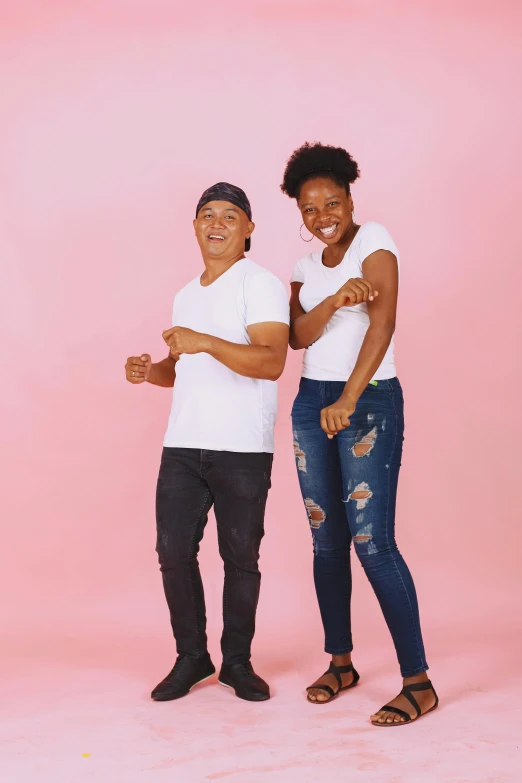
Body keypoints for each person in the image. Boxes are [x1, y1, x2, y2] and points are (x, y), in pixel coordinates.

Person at [281, 143, 438, 726]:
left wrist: (348, 397)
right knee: (326, 541)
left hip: (367, 401)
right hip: (310, 402)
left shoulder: (375, 241)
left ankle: (417, 681)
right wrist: (334, 298)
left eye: (332, 201)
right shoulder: (302, 269)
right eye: (309, 207)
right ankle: (341, 661)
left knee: (374, 542)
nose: (322, 214)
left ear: (350, 197)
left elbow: (385, 319)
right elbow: (297, 335)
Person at [125, 182, 289, 702]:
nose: (216, 223)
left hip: (242, 447)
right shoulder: (186, 293)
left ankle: (238, 663)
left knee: (240, 557)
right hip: (183, 446)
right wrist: (150, 371)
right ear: (195, 226)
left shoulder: (259, 284)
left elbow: (271, 361)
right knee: (173, 552)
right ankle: (192, 657)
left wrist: (204, 342)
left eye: (230, 215)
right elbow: (182, 367)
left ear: (248, 229)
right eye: (207, 215)